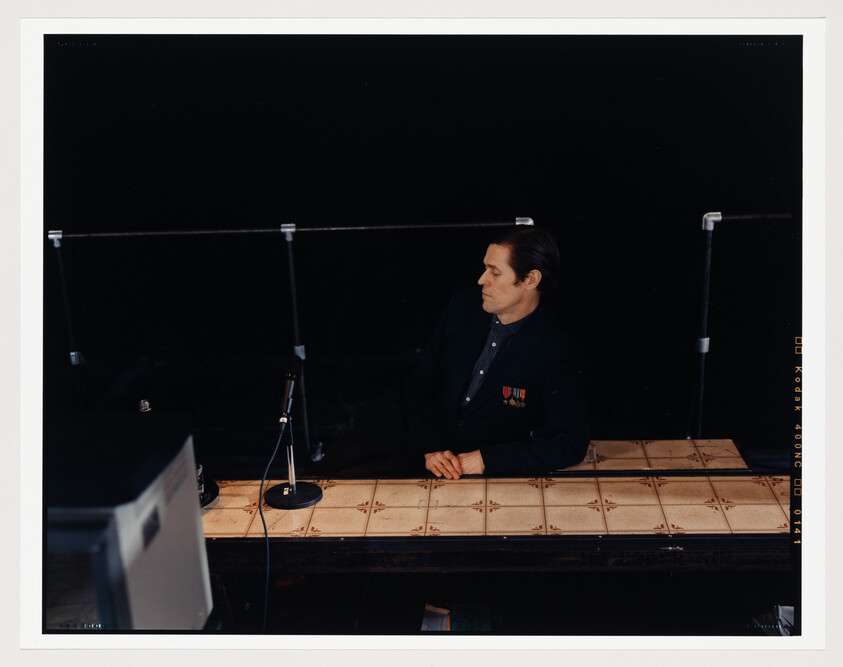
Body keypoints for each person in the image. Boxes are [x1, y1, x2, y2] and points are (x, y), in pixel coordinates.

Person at [405, 226, 590, 479]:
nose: (481, 279)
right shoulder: (463, 306)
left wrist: (486, 460)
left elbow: (569, 443)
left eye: (495, 272)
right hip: (425, 457)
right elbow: (420, 382)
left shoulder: (557, 350)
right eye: (485, 268)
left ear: (530, 280)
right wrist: (432, 446)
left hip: (495, 476)